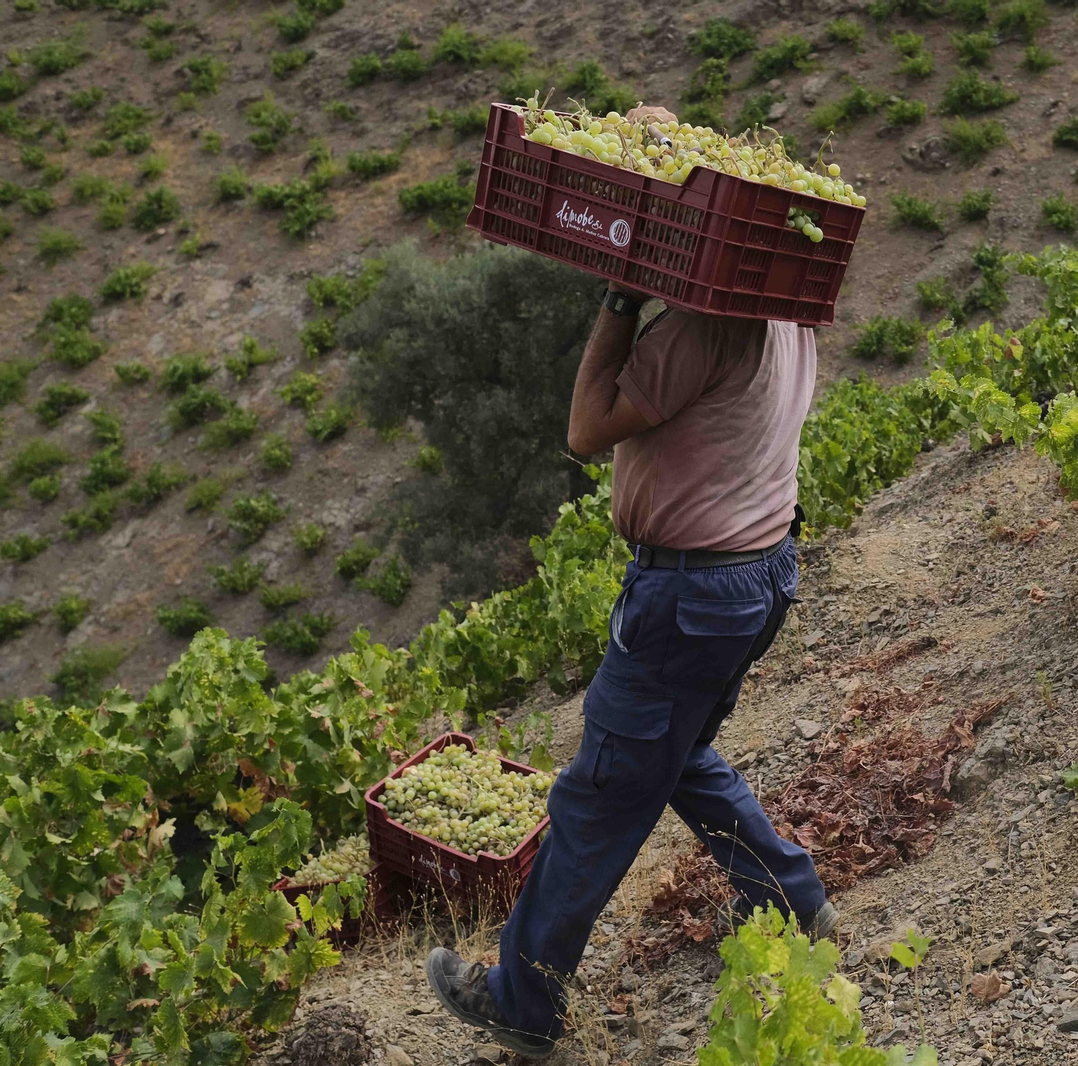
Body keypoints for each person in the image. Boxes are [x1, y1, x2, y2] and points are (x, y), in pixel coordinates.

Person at [423, 107, 836, 1061]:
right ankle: (791, 897)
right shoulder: (791, 314)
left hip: (692, 597)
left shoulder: (704, 330)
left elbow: (585, 428)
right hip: (758, 575)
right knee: (676, 751)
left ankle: (521, 1003)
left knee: (598, 794)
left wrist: (619, 295)